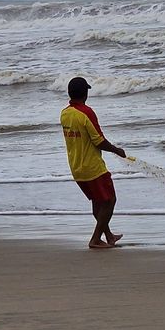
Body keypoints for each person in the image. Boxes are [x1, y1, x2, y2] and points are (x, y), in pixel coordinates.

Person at [60, 77, 126, 249]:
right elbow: (98, 141)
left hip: (76, 168)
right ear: (85, 93)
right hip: (92, 167)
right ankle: (95, 239)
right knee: (109, 200)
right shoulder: (86, 113)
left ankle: (109, 236)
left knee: (98, 202)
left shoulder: (64, 114)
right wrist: (116, 150)